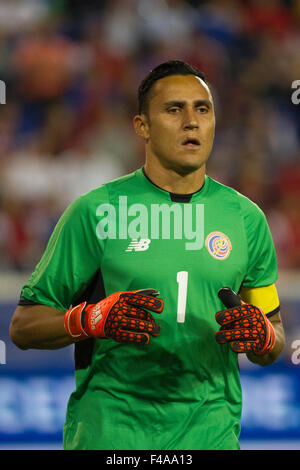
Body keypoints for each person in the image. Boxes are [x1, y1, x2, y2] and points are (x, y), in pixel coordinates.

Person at [9, 60, 285, 450]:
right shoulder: (97, 211)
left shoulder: (247, 219)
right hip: (111, 437)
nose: (192, 121)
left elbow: (273, 339)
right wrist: (90, 318)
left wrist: (262, 336)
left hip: (210, 437)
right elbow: (23, 326)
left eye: (202, 109)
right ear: (142, 126)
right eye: (174, 109)